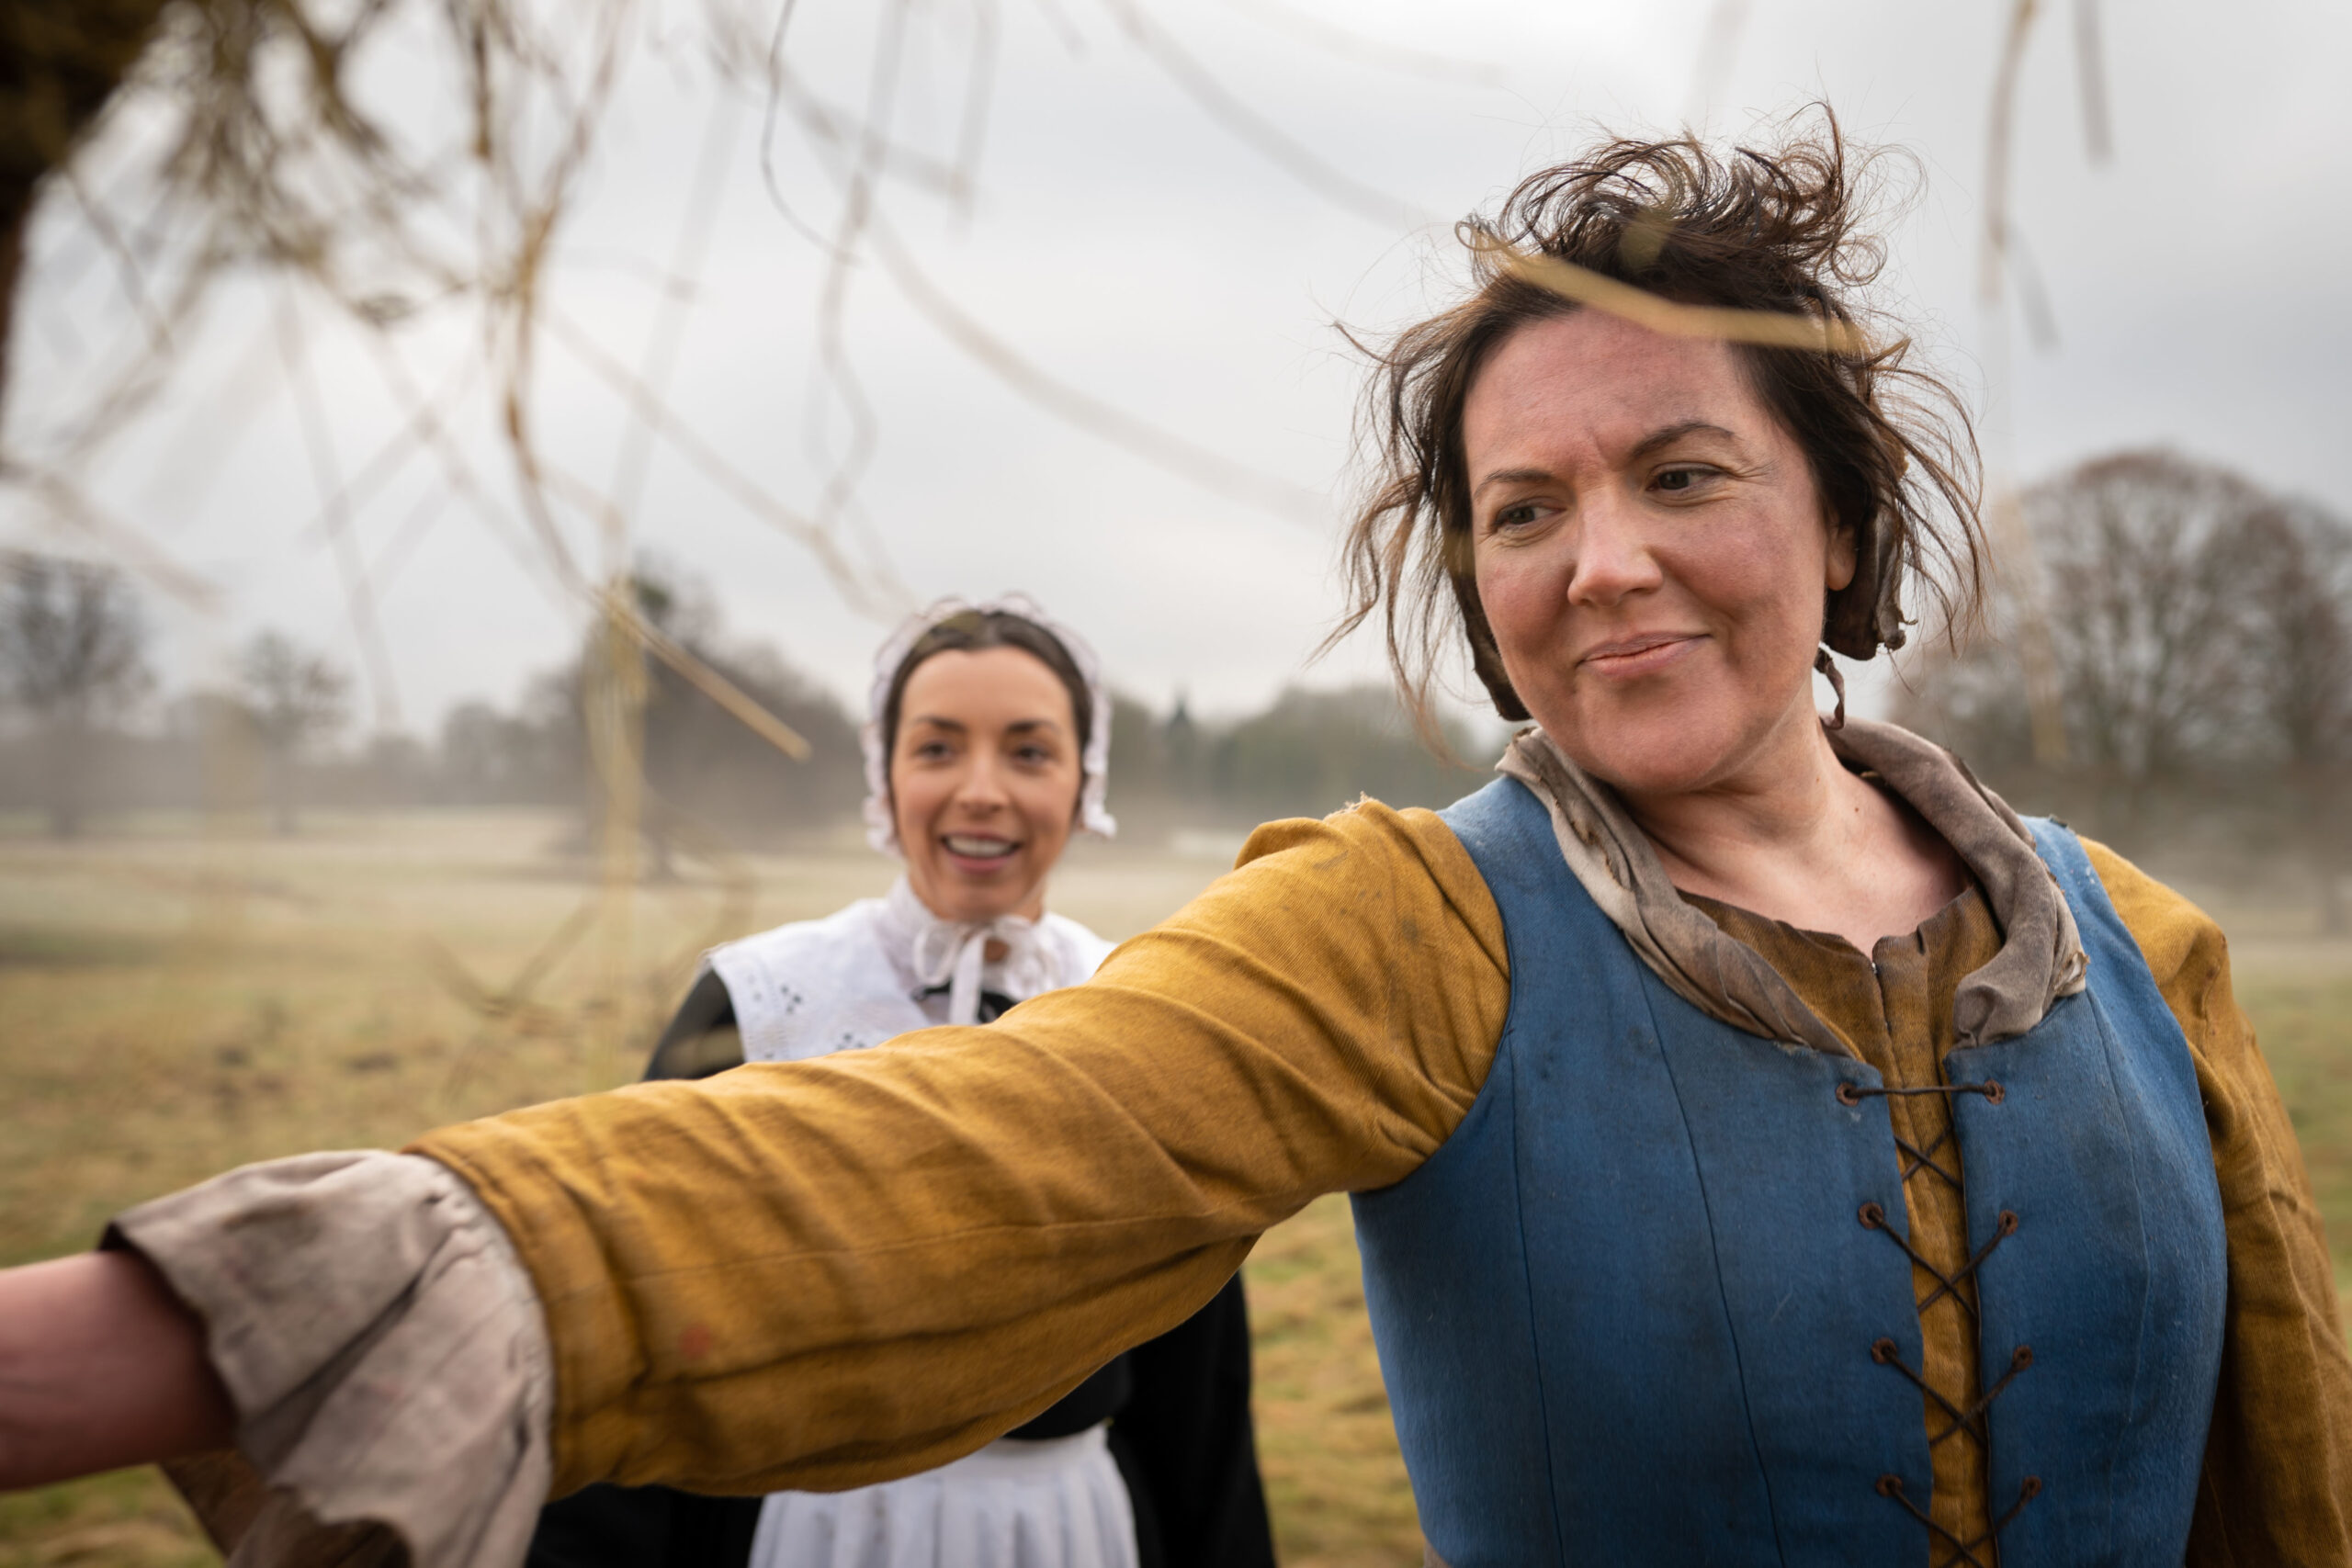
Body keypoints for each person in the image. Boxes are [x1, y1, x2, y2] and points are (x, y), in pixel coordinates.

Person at [3, 112, 2348, 1568]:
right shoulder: (1414, 924)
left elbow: (2282, 1491)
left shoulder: (2141, 943)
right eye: (1516, 510)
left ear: (1837, 523)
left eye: (1677, 471)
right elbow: (949, 1166)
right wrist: (226, 1308)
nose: (1594, 557)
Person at [522, 597, 1274, 1568]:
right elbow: (638, 1330)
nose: (981, 790)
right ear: (886, 777)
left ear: (1083, 784)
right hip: (816, 1530)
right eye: (937, 748)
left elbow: (1194, 1387)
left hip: (1067, 1533)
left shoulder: (1143, 1010)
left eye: (1028, 751)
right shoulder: (760, 1003)